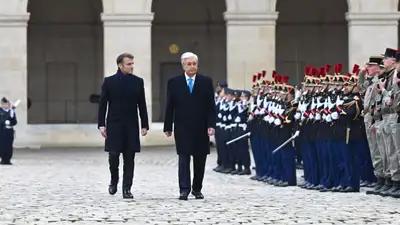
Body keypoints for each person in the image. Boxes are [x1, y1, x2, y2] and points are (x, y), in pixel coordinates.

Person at [163, 52, 216, 200]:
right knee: (183, 158)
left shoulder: (206, 81)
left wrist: (211, 125)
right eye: (189, 64)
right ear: (183, 65)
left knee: (200, 159)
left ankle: (197, 188)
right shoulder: (174, 82)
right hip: (182, 127)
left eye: (194, 64)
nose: (192, 67)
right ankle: (184, 189)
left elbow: (211, 106)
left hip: (201, 127)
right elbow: (170, 105)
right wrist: (168, 126)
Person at [98, 53, 149, 199]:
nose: (132, 66)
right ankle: (114, 180)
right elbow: (102, 105)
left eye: (133, 63)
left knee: (129, 158)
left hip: (131, 125)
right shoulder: (109, 82)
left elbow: (142, 105)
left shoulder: (138, 82)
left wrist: (144, 124)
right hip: (114, 125)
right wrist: (101, 124)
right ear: (120, 65)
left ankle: (127, 188)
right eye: (129, 64)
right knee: (113, 155)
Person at [0, 97, 17, 165]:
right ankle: (3, 159)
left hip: (9, 131)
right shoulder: (0, 111)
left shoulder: (11, 111)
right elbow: (2, 120)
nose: (5, 105)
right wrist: (5, 122)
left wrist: (12, 114)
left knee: (9, 146)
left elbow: (15, 122)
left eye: (7, 104)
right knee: (2, 146)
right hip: (2, 131)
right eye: (3, 104)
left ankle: (8, 159)